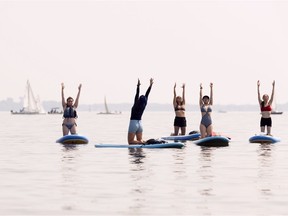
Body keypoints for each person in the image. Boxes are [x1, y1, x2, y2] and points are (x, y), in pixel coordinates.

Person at [128, 78, 153, 144]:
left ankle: (143, 143)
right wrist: (150, 85)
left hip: (133, 123)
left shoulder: (136, 104)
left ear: (139, 99)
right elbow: (147, 94)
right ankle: (146, 142)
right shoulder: (144, 104)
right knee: (140, 140)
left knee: (130, 142)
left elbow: (137, 93)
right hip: (140, 124)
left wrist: (138, 86)